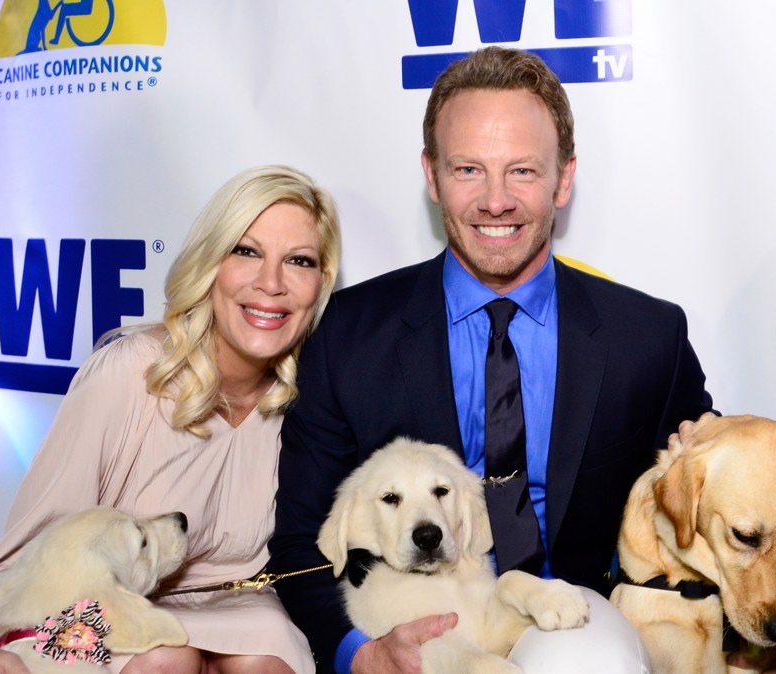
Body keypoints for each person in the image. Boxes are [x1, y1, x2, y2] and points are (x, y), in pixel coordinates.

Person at [268, 46, 714, 674]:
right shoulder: (347, 335)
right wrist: (358, 653)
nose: (496, 201)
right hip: (408, 625)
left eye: (523, 172)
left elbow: (707, 483)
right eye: (469, 169)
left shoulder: (646, 336)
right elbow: (299, 542)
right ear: (432, 175)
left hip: (564, 611)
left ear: (563, 179)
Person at [0, 165, 342, 674]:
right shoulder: (130, 373)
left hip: (241, 608)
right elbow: (32, 552)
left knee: (264, 661)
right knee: (163, 657)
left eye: (298, 261)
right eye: (246, 251)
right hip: (109, 610)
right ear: (211, 262)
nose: (271, 283)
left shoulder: (319, 392)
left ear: (320, 283)